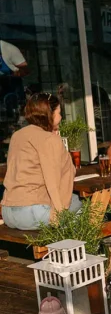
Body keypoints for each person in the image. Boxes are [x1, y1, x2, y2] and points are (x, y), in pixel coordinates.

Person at [1, 92, 80, 229]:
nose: (61, 117)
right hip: (33, 213)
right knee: (78, 203)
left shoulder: (17, 135)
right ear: (50, 114)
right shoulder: (49, 139)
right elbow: (56, 179)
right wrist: (58, 215)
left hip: (8, 212)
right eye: (59, 112)